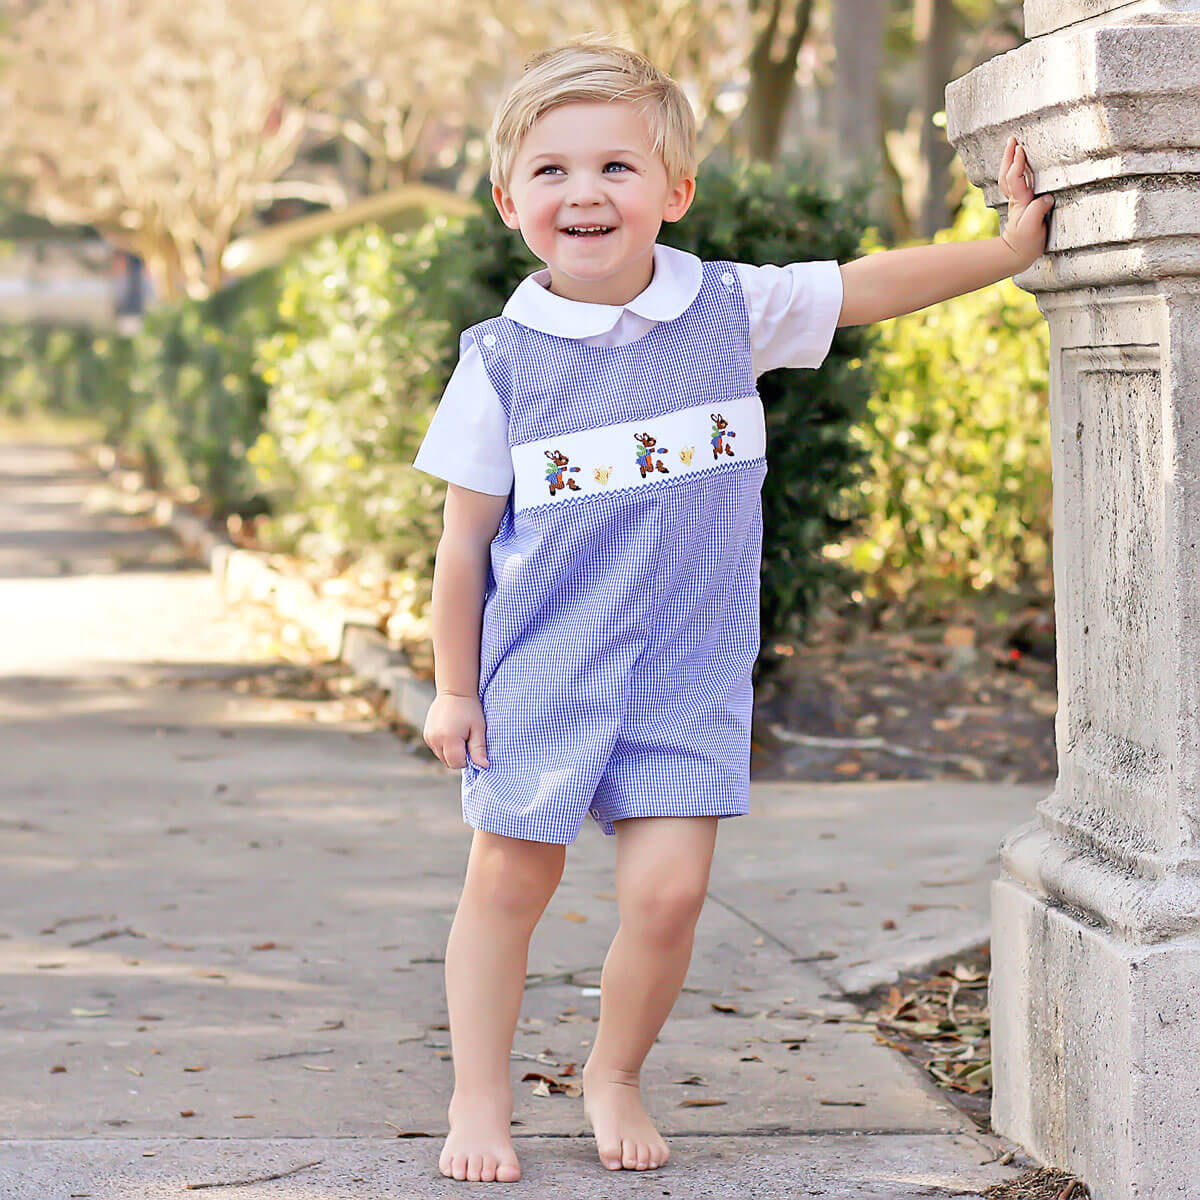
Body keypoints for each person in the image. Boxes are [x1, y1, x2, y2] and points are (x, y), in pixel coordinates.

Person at [411, 38, 1053, 1185]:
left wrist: (1005, 252)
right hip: (540, 672)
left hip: (687, 668)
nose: (585, 192)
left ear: (674, 192)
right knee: (509, 884)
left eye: (617, 166)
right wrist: (454, 686)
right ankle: (478, 1097)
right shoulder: (500, 365)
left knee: (669, 895)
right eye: (551, 171)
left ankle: (613, 1071)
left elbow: (867, 285)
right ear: (510, 200)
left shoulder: (726, 309)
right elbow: (462, 544)